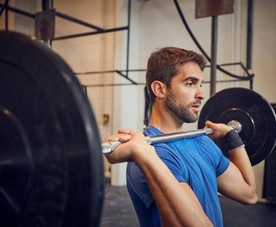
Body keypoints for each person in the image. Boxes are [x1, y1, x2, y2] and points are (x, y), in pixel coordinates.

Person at [104, 47, 257, 227]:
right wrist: (144, 155)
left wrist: (231, 136)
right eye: (190, 83)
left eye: (200, 84)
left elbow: (249, 194)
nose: (201, 94)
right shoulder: (157, 153)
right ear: (160, 89)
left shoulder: (201, 142)